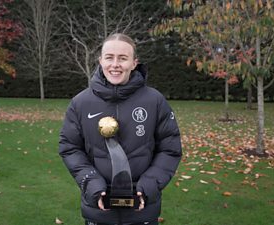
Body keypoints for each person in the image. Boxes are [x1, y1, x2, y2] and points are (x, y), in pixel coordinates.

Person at [59, 33, 182, 225]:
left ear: (134, 63)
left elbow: (170, 149)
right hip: (97, 209)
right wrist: (90, 182)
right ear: (100, 61)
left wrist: (150, 184)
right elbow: (70, 148)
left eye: (123, 58)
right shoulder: (81, 103)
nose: (115, 64)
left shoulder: (155, 101)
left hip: (143, 209)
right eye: (109, 57)